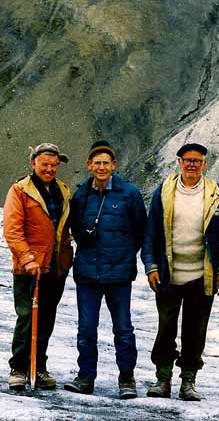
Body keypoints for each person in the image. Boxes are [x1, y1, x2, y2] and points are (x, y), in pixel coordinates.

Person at [141, 142, 219, 401]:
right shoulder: (164, 192)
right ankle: (162, 378)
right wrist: (151, 266)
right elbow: (151, 233)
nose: (192, 164)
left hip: (201, 275)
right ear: (179, 162)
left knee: (195, 331)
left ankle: (188, 382)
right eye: (187, 160)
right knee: (166, 328)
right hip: (169, 274)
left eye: (197, 160)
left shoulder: (215, 195)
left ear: (204, 164)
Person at [64, 140, 147, 399]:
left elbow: (140, 231)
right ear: (89, 165)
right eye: (96, 162)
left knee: (122, 328)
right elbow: (74, 227)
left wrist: (123, 255)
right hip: (88, 273)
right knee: (86, 328)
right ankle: (86, 377)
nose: (101, 167)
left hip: (119, 274)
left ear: (114, 165)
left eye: (106, 163)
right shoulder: (81, 195)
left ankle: (127, 379)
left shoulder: (129, 194)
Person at [3, 142, 73, 391]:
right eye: (45, 164)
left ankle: (39, 366)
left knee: (46, 317)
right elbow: (12, 231)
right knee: (26, 316)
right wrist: (27, 259)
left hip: (55, 266)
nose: (50, 169)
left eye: (54, 165)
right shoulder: (20, 191)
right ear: (33, 163)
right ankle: (18, 368)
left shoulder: (63, 190)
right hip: (29, 267)